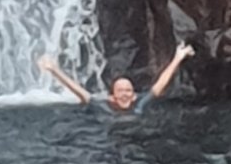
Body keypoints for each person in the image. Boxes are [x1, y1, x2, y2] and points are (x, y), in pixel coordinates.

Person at [37, 40, 195, 113]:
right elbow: (80, 93)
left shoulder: (139, 103)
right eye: (120, 91)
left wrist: (178, 57)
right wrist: (54, 70)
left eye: (128, 90)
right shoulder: (104, 107)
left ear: (133, 95)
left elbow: (160, 85)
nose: (125, 94)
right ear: (112, 97)